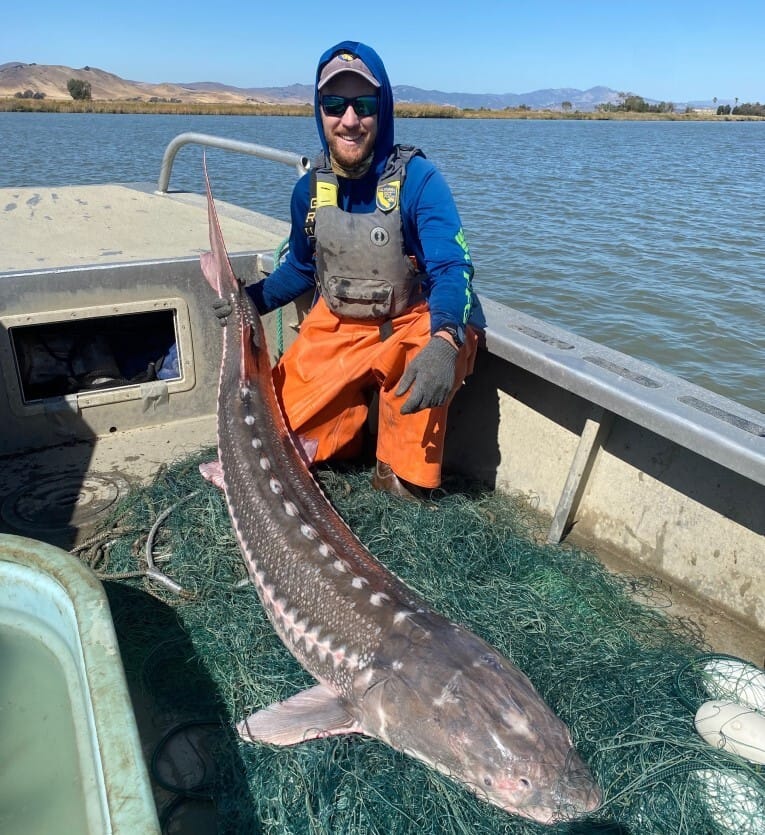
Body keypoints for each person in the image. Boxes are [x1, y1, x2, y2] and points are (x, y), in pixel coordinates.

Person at [217, 40, 484, 501]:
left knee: (406, 484)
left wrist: (445, 341)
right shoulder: (309, 191)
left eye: (363, 104)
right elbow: (301, 269)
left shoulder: (420, 181)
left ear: (381, 110)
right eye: (334, 104)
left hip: (411, 321)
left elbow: (453, 269)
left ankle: (397, 464)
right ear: (319, 112)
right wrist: (250, 300)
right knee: (276, 440)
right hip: (340, 322)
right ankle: (353, 430)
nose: (349, 120)